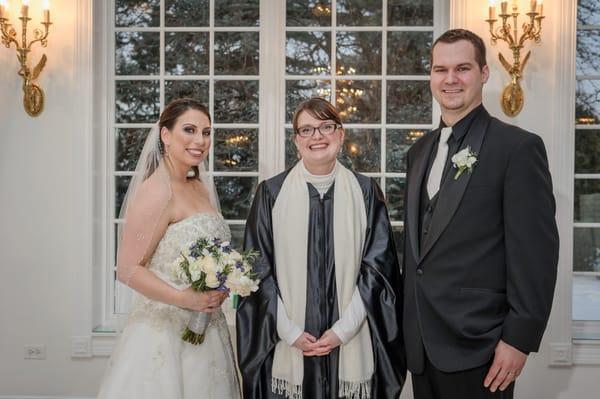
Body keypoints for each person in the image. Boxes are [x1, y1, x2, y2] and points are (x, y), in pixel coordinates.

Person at [402, 29, 559, 399]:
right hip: (420, 345)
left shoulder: (517, 148)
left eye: (462, 68)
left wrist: (518, 340)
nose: (450, 79)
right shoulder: (418, 152)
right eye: (440, 69)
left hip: (482, 346)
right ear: (431, 77)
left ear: (484, 74)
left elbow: (535, 255)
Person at [236, 97, 406, 399]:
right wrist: (290, 332)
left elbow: (379, 271)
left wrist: (342, 331)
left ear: (340, 134)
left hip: (352, 340)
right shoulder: (271, 194)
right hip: (287, 343)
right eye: (307, 130)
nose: (317, 137)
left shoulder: (366, 192)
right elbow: (257, 271)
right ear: (296, 140)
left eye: (326, 126)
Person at [97, 99, 240, 399]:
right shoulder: (155, 191)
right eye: (189, 130)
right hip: (164, 333)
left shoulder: (198, 187)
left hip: (208, 330)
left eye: (206, 132)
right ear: (165, 135)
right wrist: (183, 298)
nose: (200, 141)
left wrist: (221, 284)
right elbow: (127, 269)